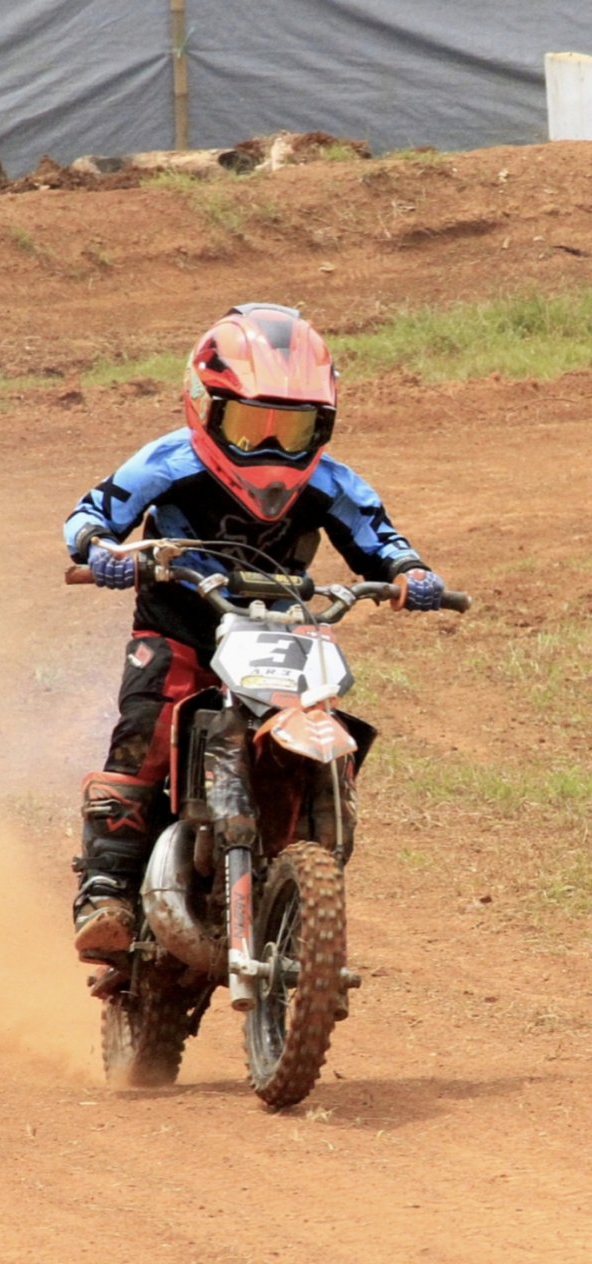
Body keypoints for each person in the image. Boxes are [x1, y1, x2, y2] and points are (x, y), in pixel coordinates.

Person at [64, 302, 444, 963]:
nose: (270, 448)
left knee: (325, 722)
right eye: (250, 424)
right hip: (180, 626)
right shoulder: (167, 462)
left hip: (281, 632)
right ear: (205, 406)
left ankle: (305, 849)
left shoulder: (331, 482)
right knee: (146, 730)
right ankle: (108, 891)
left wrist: (410, 573)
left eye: (290, 429)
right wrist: (101, 549)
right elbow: (91, 513)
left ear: (321, 425)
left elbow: (380, 539)